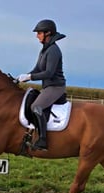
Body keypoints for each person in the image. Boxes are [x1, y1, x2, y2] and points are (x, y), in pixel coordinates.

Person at [17, 19, 67, 151]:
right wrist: (23, 77)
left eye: (39, 33)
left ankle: (43, 140)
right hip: (48, 87)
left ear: (48, 33)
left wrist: (30, 77)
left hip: (56, 87)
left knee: (36, 106)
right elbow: (37, 69)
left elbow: (49, 73)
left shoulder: (54, 50)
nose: (37, 35)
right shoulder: (44, 50)